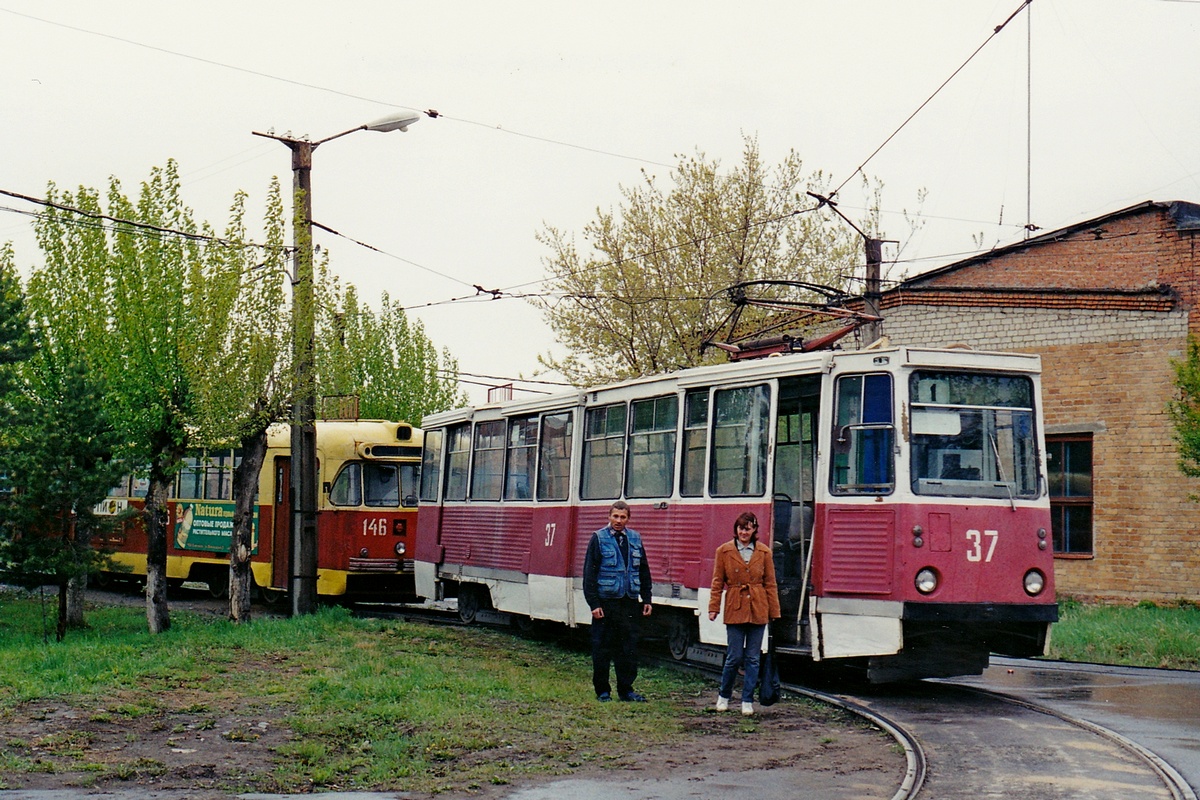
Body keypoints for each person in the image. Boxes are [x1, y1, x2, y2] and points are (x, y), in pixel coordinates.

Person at [708, 511, 781, 716]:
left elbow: (770, 583)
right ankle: (724, 696)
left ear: (754, 530)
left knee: (753, 658)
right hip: (735, 606)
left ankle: (747, 700)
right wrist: (714, 607)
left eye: (748, 528)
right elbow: (716, 582)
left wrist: (774, 611)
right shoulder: (723, 551)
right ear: (736, 529)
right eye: (741, 528)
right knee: (734, 656)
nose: (744, 532)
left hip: (758, 608)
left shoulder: (765, 552)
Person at [583, 500, 653, 702]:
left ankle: (626, 690)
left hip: (629, 602)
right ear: (609, 516)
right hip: (606, 603)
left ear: (628, 519)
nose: (618, 521)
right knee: (602, 648)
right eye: (615, 516)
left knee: (628, 649)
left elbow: (644, 570)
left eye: (623, 517)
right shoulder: (598, 538)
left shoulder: (635, 539)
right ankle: (603, 691)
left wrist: (646, 597)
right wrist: (594, 604)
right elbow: (590, 574)